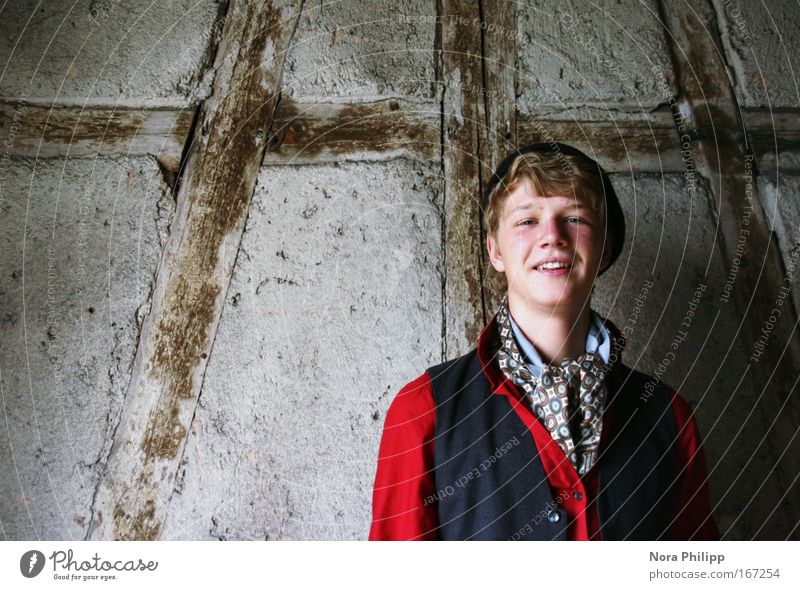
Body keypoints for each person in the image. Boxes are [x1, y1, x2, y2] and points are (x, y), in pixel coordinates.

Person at [368, 143, 719, 541]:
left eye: (573, 217)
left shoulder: (669, 417)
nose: (552, 236)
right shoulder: (422, 412)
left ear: (604, 250)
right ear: (494, 251)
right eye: (526, 221)